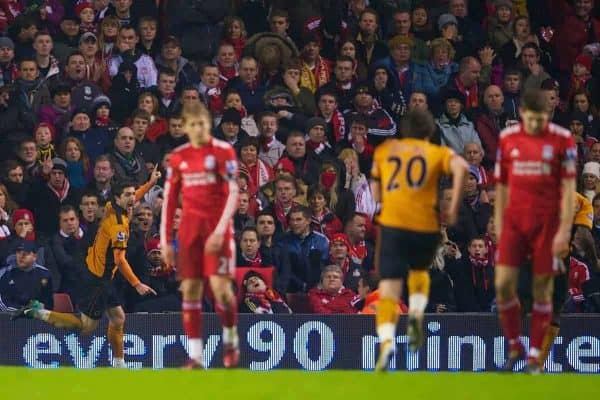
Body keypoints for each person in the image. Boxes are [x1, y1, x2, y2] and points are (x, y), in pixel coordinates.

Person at [12, 174, 159, 369]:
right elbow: (119, 259)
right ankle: (37, 312)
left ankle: (119, 364)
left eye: (133, 194)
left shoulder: (111, 206)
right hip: (97, 280)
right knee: (85, 326)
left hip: (102, 277)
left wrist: (149, 184)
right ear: (117, 198)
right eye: (128, 195)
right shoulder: (118, 225)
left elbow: (133, 196)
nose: (133, 198)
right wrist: (136, 283)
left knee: (118, 318)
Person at [370, 109, 467, 371]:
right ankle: (415, 315)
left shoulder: (386, 150)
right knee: (420, 272)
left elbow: (376, 192)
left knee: (389, 285)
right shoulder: (437, 152)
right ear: (429, 132)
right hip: (425, 223)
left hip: (394, 223)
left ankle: (387, 339)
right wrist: (453, 204)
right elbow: (462, 167)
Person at [494, 89, 577, 373]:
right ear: (521, 113)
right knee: (505, 286)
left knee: (545, 291)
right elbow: (502, 188)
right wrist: (499, 226)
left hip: (548, 227)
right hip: (516, 224)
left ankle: (534, 359)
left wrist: (565, 232)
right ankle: (515, 345)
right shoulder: (508, 140)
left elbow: (568, 191)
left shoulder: (563, 141)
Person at [160, 102, 240, 369]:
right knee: (190, 290)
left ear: (208, 124)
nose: (198, 129)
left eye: (202, 124)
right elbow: (170, 201)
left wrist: (221, 230)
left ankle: (230, 339)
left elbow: (233, 193)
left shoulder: (222, 151)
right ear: (184, 127)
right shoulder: (178, 157)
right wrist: (165, 240)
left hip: (217, 230)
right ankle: (196, 356)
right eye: (192, 125)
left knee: (221, 291)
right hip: (189, 231)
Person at [0, 240, 53, 312]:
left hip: (37, 317)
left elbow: (48, 302)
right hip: (10, 317)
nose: (21, 256)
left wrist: (42, 308)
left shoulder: (45, 274)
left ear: (34, 257)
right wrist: (23, 311)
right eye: (19, 252)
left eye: (26, 253)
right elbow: (3, 303)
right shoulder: (5, 274)